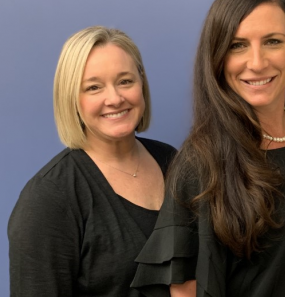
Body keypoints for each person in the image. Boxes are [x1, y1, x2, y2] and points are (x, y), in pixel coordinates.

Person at [131, 0, 285, 297]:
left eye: (273, 41)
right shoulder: (198, 165)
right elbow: (185, 290)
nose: (257, 62)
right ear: (217, 59)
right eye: (237, 45)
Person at [8, 26, 177, 296]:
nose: (115, 98)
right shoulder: (49, 198)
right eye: (94, 87)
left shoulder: (173, 162)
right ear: (72, 99)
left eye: (125, 81)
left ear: (141, 84)